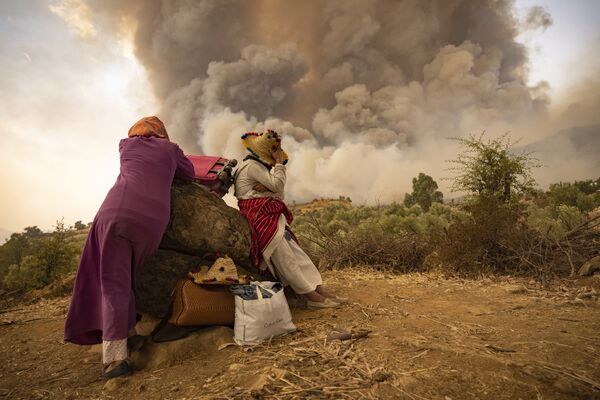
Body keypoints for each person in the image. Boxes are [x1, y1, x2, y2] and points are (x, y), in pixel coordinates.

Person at [64, 116, 195, 379]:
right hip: (151, 223)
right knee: (127, 277)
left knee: (113, 282)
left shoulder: (126, 145)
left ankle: (116, 360)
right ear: (161, 133)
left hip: (114, 213)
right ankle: (131, 336)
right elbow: (189, 174)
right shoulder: (171, 150)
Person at [234, 130, 347, 308]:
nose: (278, 153)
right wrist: (279, 164)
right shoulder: (253, 167)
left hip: (269, 215)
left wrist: (269, 188)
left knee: (297, 253)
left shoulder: (257, 167)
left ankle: (319, 289)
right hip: (261, 217)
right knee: (285, 258)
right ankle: (312, 297)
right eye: (276, 151)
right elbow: (278, 187)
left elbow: (278, 192)